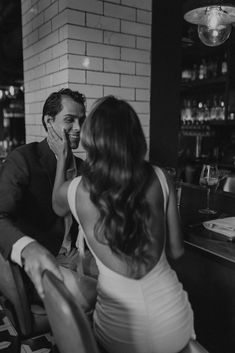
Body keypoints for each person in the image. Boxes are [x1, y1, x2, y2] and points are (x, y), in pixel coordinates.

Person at [48, 96, 195, 353]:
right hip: (174, 322)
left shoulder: (75, 191)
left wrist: (63, 158)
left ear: (91, 138)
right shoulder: (161, 177)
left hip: (120, 334)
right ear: (135, 137)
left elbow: (56, 206)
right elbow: (177, 251)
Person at [0, 88, 89, 300]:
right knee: (101, 296)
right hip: (42, 262)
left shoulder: (83, 167)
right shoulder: (22, 159)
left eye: (81, 120)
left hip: (78, 257)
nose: (78, 128)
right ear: (49, 121)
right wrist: (27, 248)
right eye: (70, 120)